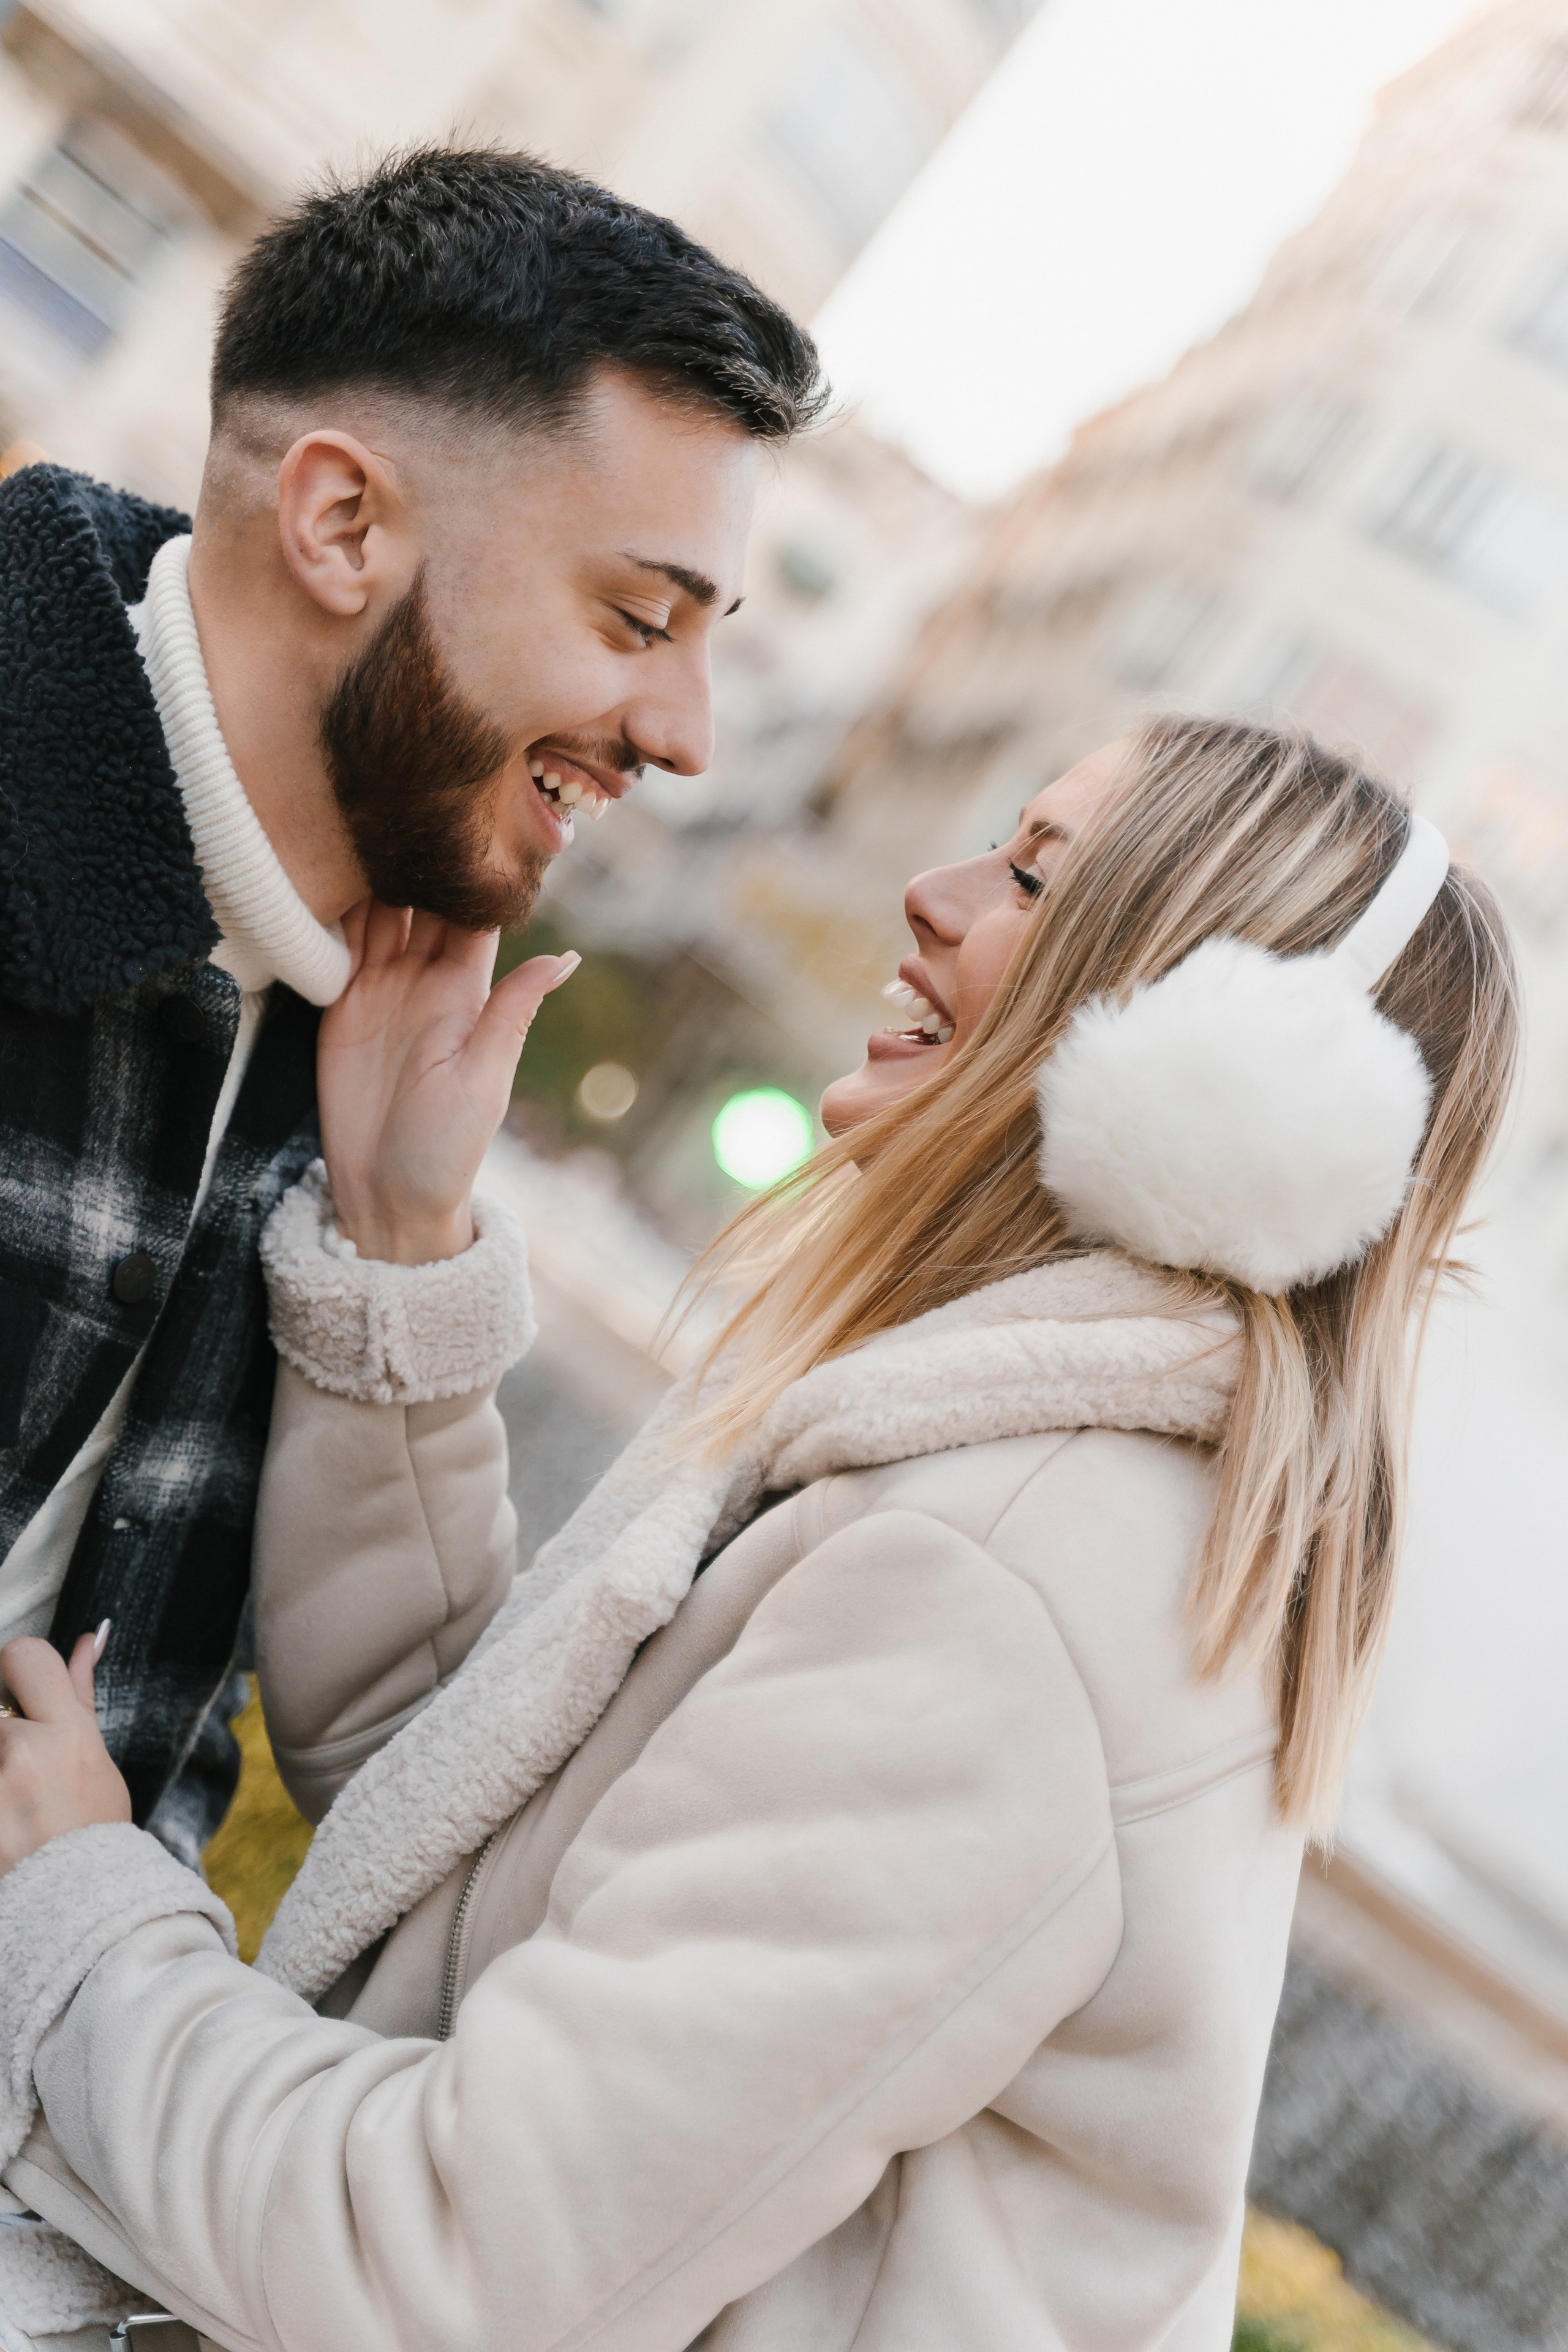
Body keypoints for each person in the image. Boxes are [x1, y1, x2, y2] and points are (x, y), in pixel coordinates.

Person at [0, 715, 1518, 2352]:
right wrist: (399, 1236)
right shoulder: (1005, 1458)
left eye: (1032, 879)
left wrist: (79, 1926)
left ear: (1218, 1074)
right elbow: (463, 1830)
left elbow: (451, 2275)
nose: (933, 893)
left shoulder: (1003, 1576)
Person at [0, 145, 823, 1861]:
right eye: (640, 619)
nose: (687, 735)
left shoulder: (368, 1055)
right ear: (343, 524)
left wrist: (402, 1245)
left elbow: (383, 1768)